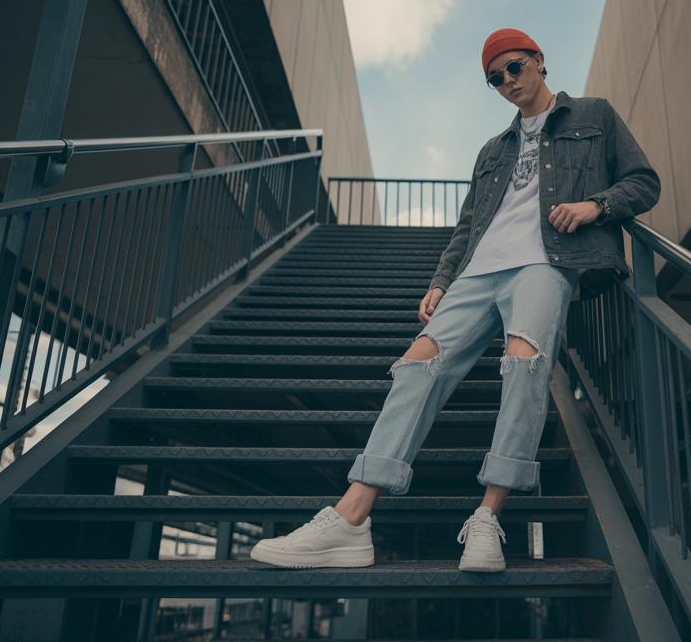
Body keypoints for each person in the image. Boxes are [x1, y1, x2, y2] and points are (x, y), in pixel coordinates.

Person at [250, 28, 660, 571]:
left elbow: (643, 182)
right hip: (479, 272)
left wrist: (595, 207)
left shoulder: (594, 114)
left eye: (514, 68)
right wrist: (442, 280)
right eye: (495, 78)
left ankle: (489, 515)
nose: (506, 82)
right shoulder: (493, 150)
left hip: (547, 261)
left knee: (524, 363)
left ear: (538, 61)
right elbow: (469, 226)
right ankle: (351, 521)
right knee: (416, 365)